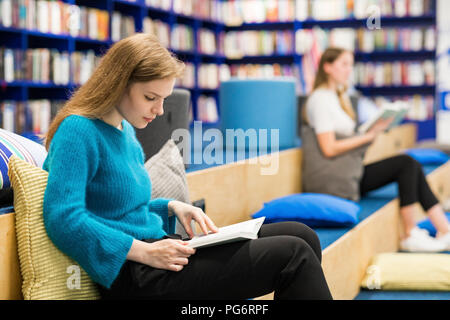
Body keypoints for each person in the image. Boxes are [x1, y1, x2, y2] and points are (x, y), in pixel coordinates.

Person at [42, 33, 333, 300]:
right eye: (150, 98)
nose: (159, 111)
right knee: (294, 255)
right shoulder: (78, 130)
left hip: (162, 250)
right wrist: (145, 252)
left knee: (302, 234)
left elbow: (120, 209)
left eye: (163, 100)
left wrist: (170, 207)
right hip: (136, 273)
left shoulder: (125, 131)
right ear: (119, 83)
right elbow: (63, 217)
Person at [302, 47, 450, 253]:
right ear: (327, 67)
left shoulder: (336, 97)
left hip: (351, 172)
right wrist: (367, 136)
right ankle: (410, 233)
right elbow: (329, 148)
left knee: (410, 164)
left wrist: (374, 131)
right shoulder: (320, 100)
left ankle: (443, 229)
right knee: (406, 164)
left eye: (350, 65)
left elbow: (349, 142)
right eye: (344, 64)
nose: (348, 70)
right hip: (336, 180)